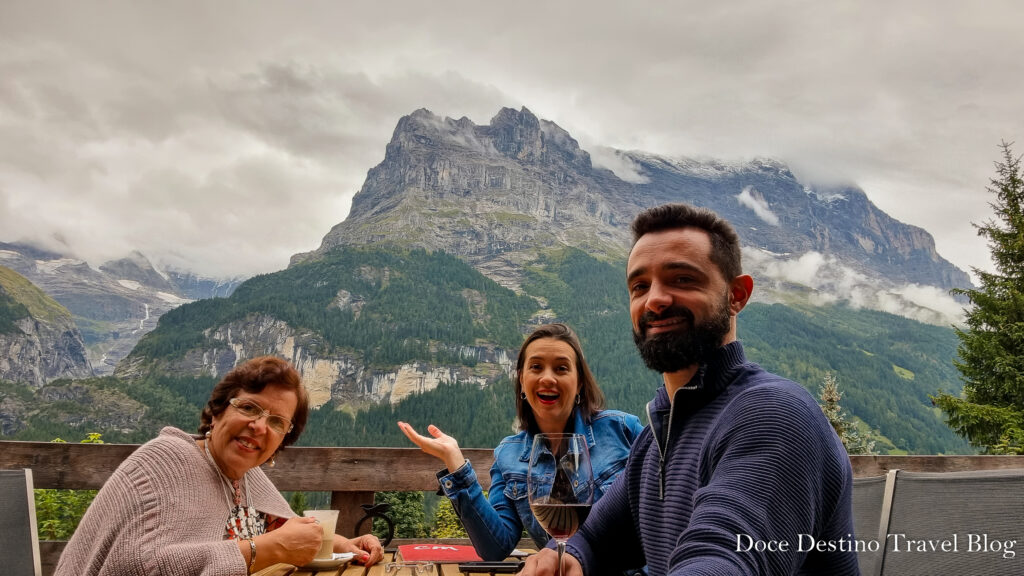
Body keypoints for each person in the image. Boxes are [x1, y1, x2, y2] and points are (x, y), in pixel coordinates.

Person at [521, 203, 859, 576]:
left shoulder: (773, 413)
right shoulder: (657, 436)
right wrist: (563, 556)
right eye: (639, 286)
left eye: (682, 279)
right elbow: (594, 536)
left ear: (737, 295)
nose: (655, 299)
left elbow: (724, 556)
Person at [55, 355, 383, 576]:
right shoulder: (164, 461)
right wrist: (261, 551)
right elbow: (136, 566)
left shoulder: (245, 476)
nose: (259, 426)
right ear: (217, 411)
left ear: (283, 440)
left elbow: (276, 531)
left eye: (277, 423)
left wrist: (340, 545)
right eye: (250, 408)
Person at [398, 323, 644, 561]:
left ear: (579, 381)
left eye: (561, 368)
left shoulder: (623, 430)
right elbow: (495, 547)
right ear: (522, 380)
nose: (548, 378)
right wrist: (456, 464)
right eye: (536, 367)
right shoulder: (508, 454)